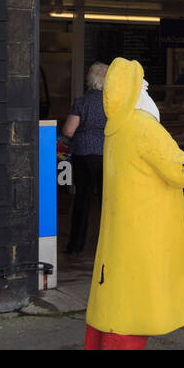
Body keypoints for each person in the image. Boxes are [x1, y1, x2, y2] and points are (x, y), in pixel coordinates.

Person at [84, 57, 184, 349]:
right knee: (133, 312)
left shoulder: (115, 129)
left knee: (115, 303)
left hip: (122, 235)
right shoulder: (144, 127)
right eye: (141, 82)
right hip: (145, 234)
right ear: (133, 90)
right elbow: (179, 169)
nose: (146, 85)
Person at [61, 62, 108, 256]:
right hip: (108, 155)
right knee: (109, 202)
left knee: (82, 200)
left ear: (91, 79)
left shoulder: (82, 102)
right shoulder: (114, 103)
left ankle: (75, 246)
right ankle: (109, 247)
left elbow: (69, 131)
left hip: (84, 155)